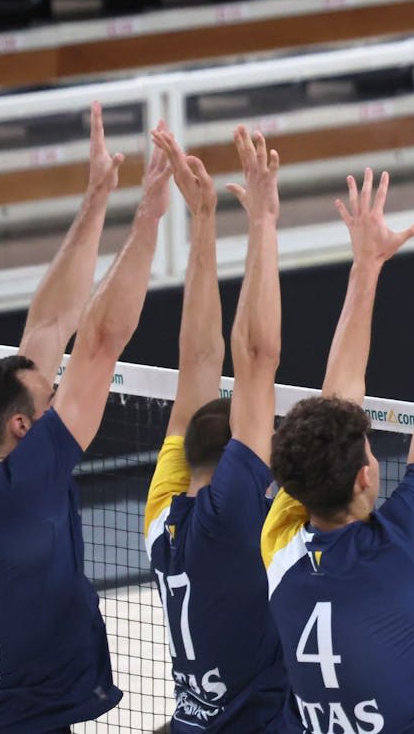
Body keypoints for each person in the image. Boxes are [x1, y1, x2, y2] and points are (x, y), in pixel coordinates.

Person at [0, 107, 173, 732]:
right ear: (21, 426)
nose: (58, 391)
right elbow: (98, 343)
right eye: (50, 396)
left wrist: (96, 197)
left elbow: (46, 327)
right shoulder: (25, 485)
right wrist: (148, 217)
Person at [262, 163, 414, 732]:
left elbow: (343, 402)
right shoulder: (399, 543)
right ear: (364, 477)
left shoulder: (279, 544)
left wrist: (366, 267)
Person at [141, 127, 288, 730]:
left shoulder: (162, 518)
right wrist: (261, 224)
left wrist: (203, 219)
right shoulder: (230, 515)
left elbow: (198, 365)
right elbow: (253, 358)